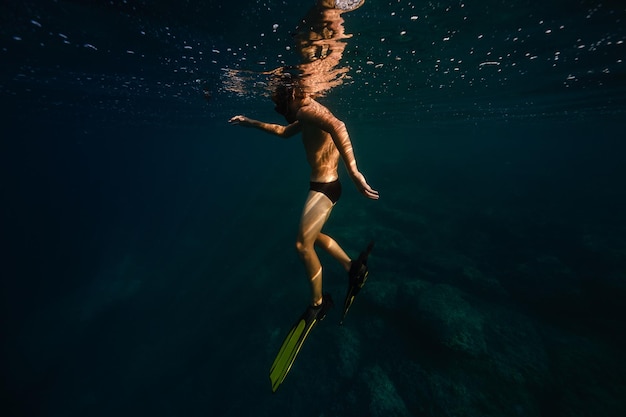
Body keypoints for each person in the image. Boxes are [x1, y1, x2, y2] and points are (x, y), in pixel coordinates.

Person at [228, 81, 378, 315]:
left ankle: (318, 304)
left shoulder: (307, 110)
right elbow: (285, 132)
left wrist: (354, 173)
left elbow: (339, 126)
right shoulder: (307, 112)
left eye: (282, 104)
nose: (282, 111)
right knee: (312, 236)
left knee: (302, 245)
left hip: (325, 187)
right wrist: (251, 122)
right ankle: (352, 267)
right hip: (323, 186)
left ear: (295, 94)